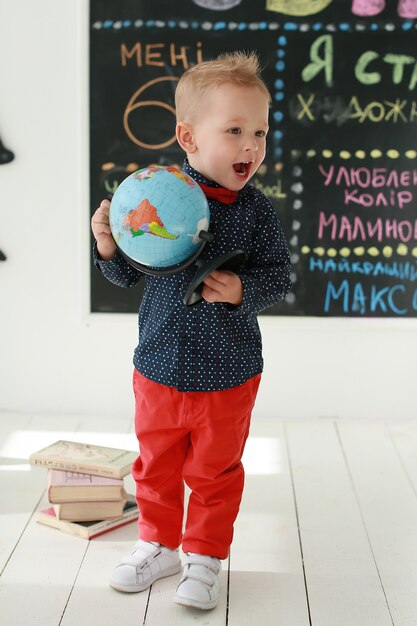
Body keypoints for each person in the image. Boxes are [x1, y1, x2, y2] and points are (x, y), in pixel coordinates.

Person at [91, 50, 291, 611]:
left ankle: (204, 556)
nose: (250, 146)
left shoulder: (257, 212)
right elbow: (128, 273)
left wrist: (243, 291)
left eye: (260, 132)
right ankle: (158, 544)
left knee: (215, 471)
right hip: (158, 365)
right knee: (154, 465)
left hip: (228, 375)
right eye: (234, 130)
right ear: (188, 136)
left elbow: (280, 276)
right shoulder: (154, 195)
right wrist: (109, 244)